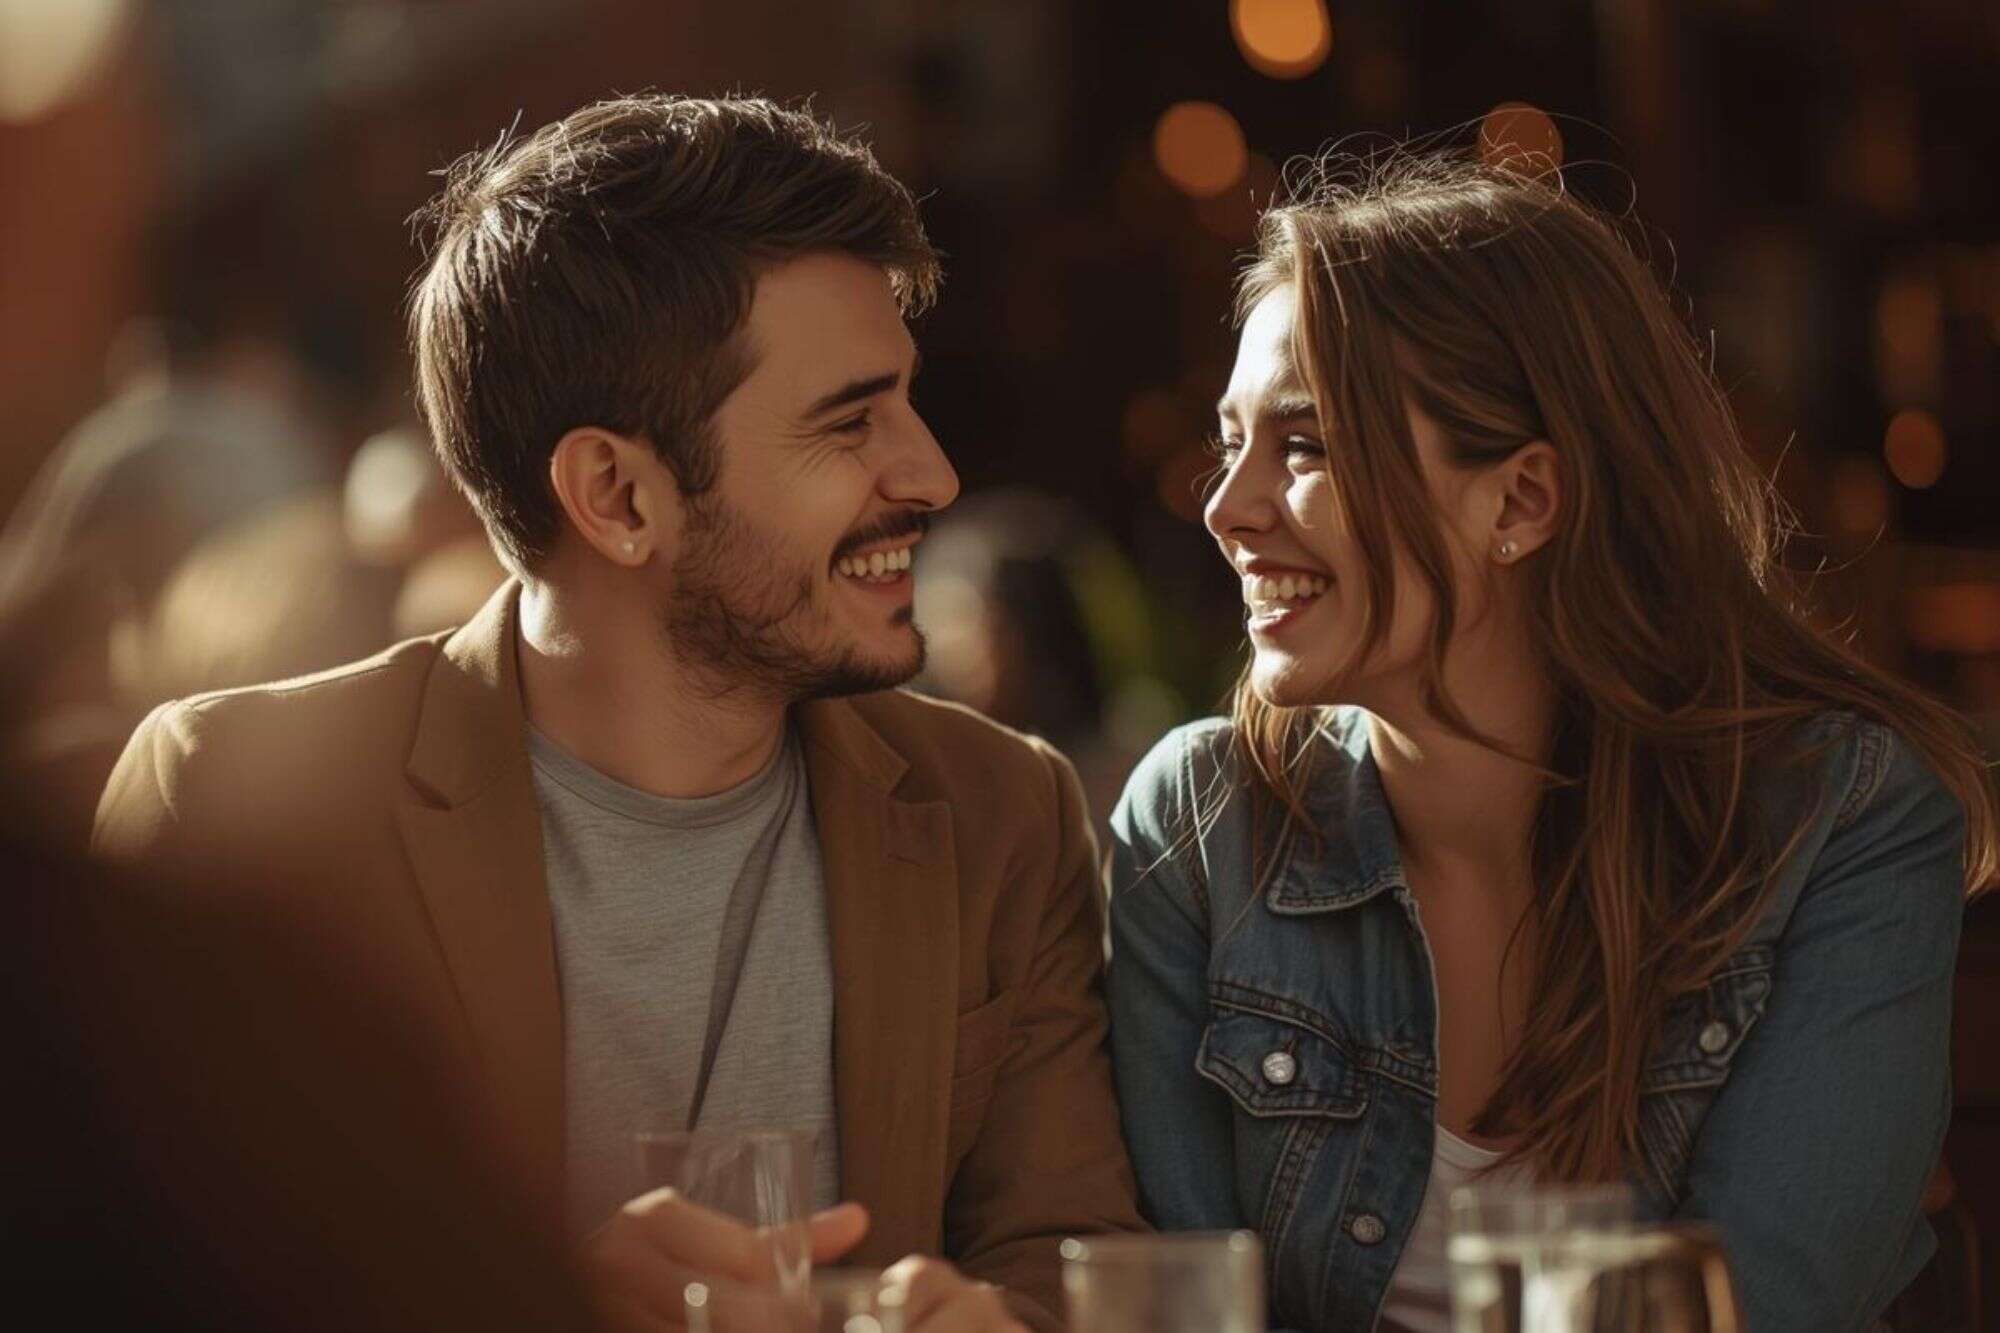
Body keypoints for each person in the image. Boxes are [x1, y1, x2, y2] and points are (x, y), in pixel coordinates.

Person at [95, 94, 1141, 1332]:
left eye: (905, 401)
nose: (930, 474)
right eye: (848, 419)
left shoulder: (1000, 812)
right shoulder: (238, 803)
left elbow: (1069, 1261)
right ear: (615, 495)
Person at [1105, 150, 1996, 1333]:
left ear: (1520, 502)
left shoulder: (1837, 817)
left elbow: (1764, 1306)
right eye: (1232, 444)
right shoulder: (1199, 823)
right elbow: (1186, 1306)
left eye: (1306, 446)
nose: (1226, 508)